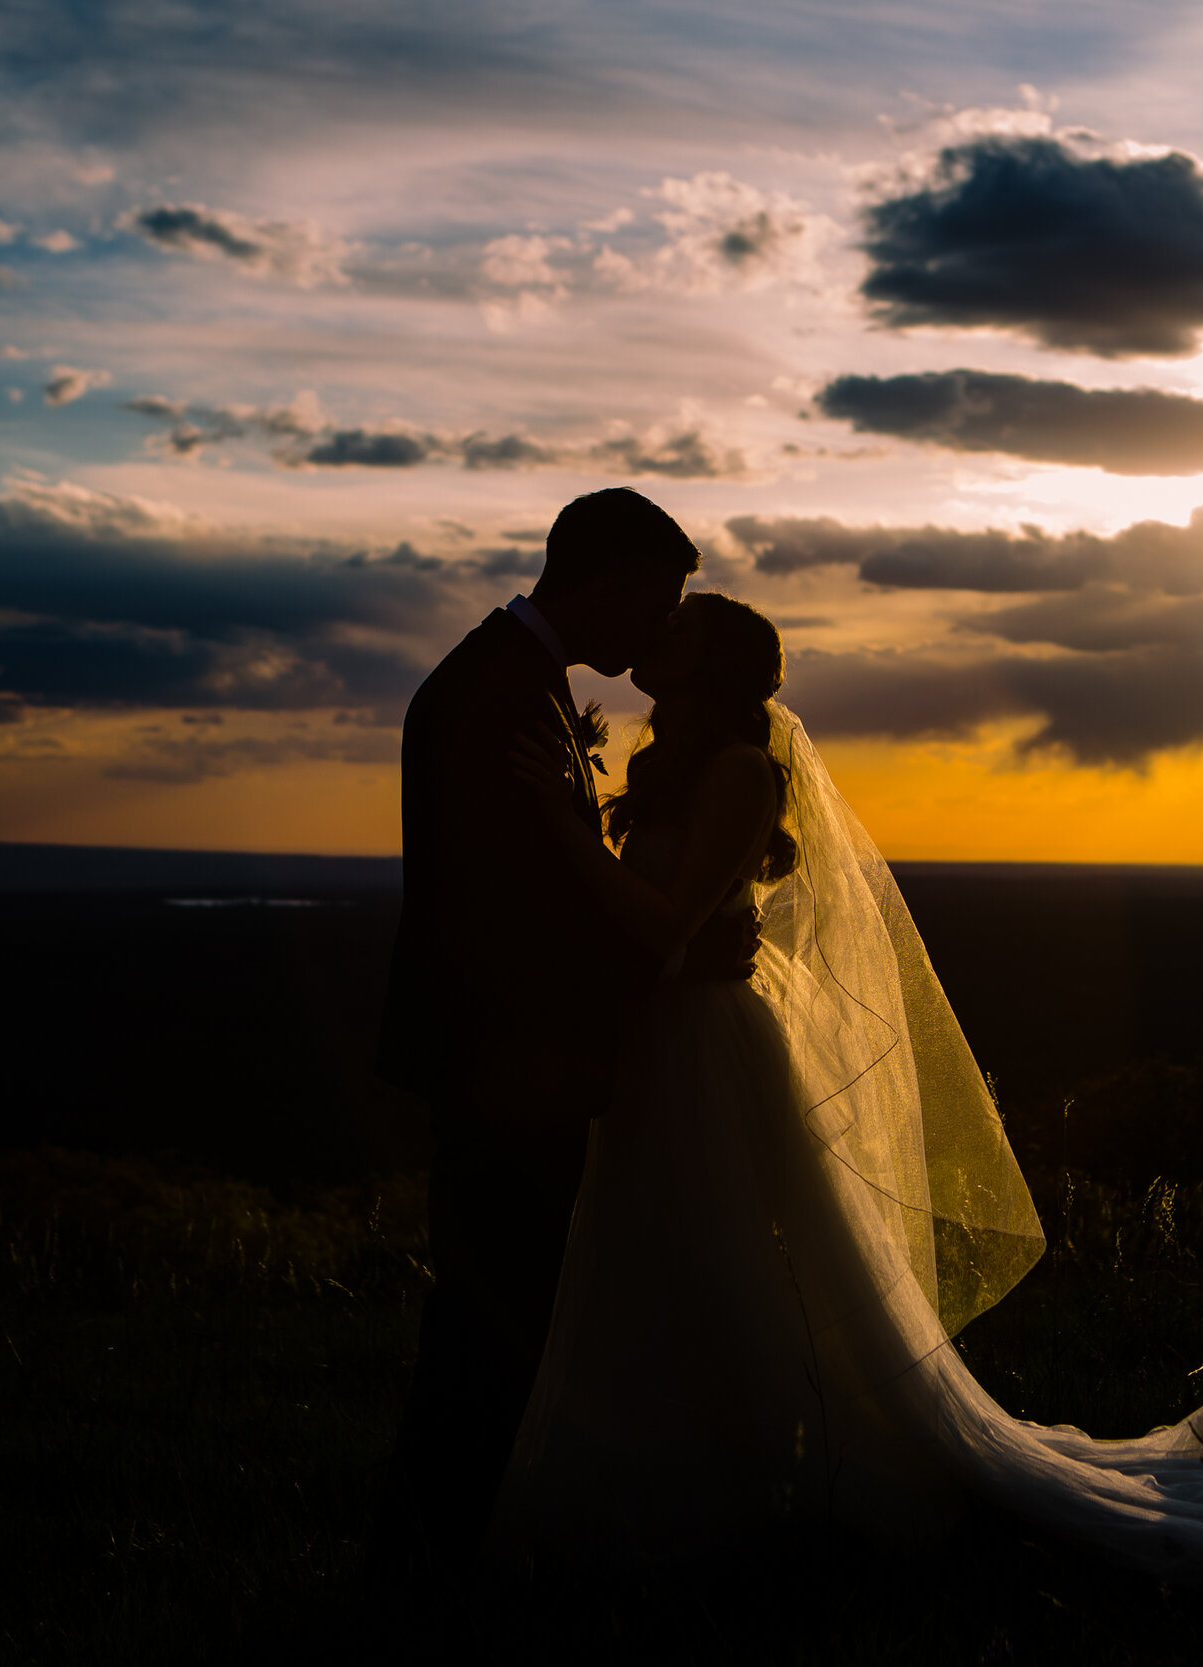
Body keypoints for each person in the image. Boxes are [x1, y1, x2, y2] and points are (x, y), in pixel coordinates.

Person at [486, 590, 1203, 1589]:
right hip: (666, 1039)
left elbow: (667, 927)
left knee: (718, 1249)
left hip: (703, 1044)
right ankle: (695, 1466)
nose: (659, 630)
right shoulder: (675, 763)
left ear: (710, 666)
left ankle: (756, 1478)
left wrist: (561, 832)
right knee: (665, 1250)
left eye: (682, 624)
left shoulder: (738, 770)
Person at [369, 488, 760, 1582]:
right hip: (510, 1060)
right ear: (614, 582)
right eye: (659, 602)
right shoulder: (500, 693)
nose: (655, 630)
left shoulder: (510, 681)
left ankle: (437, 1555)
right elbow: (519, 909)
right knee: (489, 1326)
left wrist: (677, 948)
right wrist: (668, 954)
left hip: (516, 1058)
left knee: (499, 1320)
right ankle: (425, 1566)